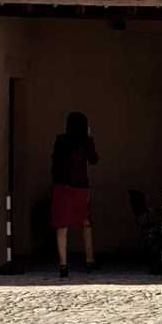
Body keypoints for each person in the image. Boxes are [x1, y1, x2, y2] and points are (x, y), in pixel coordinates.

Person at [51, 111, 99, 277]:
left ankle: (63, 265)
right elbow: (94, 159)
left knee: (62, 226)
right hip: (81, 188)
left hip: (62, 187)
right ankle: (90, 260)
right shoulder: (86, 141)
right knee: (85, 223)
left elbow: (54, 162)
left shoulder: (60, 140)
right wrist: (90, 137)